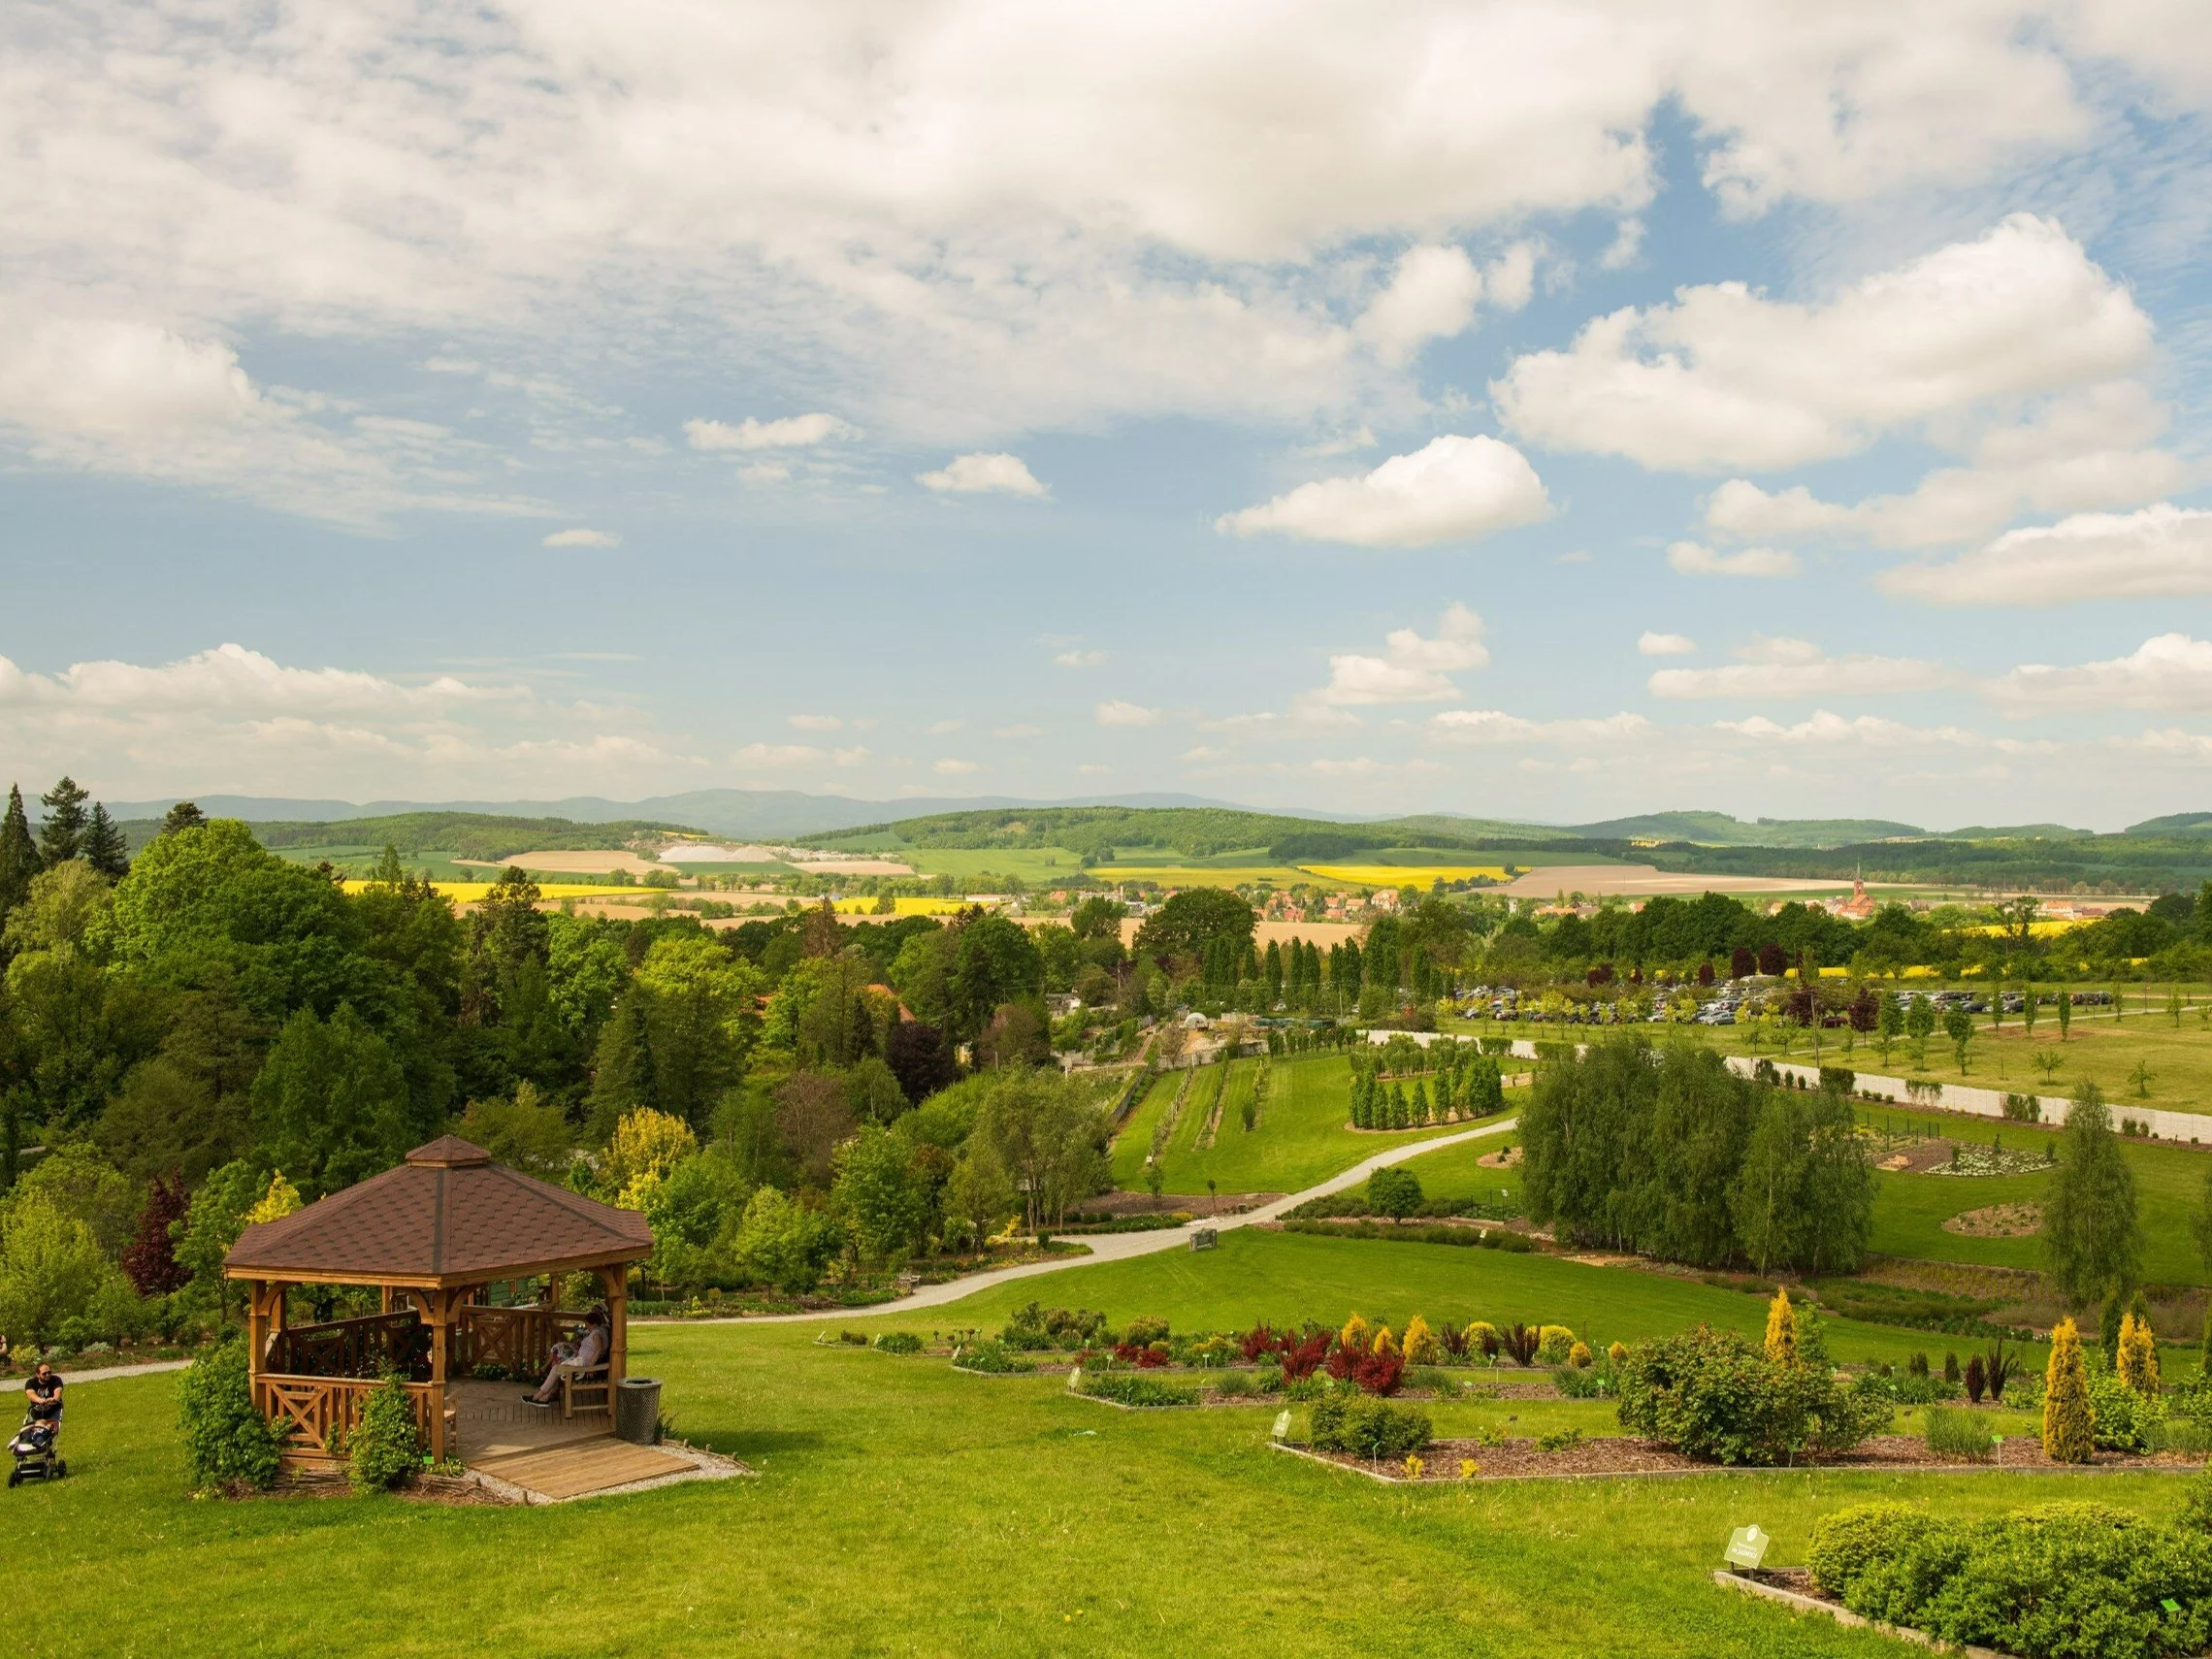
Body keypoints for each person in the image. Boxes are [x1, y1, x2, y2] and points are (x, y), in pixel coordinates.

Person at [524, 1310, 607, 1407]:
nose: (586, 1327)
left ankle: (537, 1397)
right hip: (580, 1363)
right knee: (556, 1366)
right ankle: (543, 1397)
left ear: (594, 1324)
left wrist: (590, 1366)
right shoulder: (597, 1332)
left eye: (587, 1325)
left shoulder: (596, 1334)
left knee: (556, 1368)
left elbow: (599, 1348)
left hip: (582, 1367)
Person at [23, 1363, 61, 1429]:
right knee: (28, 1432)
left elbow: (58, 1392)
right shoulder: (31, 1383)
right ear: (38, 1375)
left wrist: (54, 1399)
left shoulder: (56, 1380)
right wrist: (39, 1400)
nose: (48, 1375)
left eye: (49, 1372)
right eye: (44, 1373)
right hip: (36, 1413)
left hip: (53, 1413)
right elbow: (30, 1394)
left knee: (47, 1432)